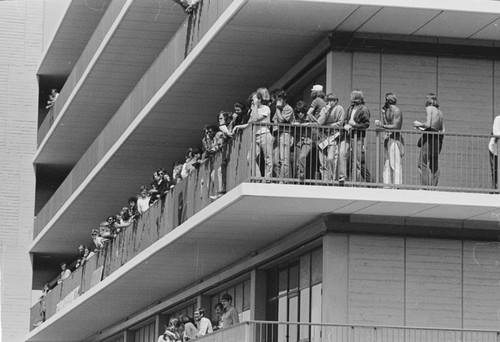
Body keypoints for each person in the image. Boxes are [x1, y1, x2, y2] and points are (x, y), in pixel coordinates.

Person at [313, 93, 345, 181]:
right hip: (322, 136)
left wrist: (329, 125)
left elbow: (340, 123)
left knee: (331, 158)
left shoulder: (339, 108)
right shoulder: (324, 109)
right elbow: (319, 122)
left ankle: (331, 179)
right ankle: (324, 180)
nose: (330, 102)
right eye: (329, 100)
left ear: (336, 101)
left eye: (332, 100)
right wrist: (326, 112)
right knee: (322, 161)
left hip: (333, 136)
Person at [414, 93, 444, 186]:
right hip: (437, 138)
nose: (425, 101)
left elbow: (428, 124)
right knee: (434, 165)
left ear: (430, 100)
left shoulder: (429, 108)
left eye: (426, 99)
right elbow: (442, 130)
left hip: (429, 138)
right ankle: (434, 187)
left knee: (422, 163)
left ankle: (424, 187)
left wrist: (418, 124)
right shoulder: (440, 112)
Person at [342, 90, 371, 183]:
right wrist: (345, 125)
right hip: (348, 136)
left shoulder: (364, 109)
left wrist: (355, 125)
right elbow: (345, 119)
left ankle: (355, 183)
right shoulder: (350, 108)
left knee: (357, 162)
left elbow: (366, 124)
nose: (351, 98)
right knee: (344, 156)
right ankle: (346, 179)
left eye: (353, 96)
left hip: (358, 137)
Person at [376, 93, 404, 185]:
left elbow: (397, 126)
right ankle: (386, 184)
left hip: (395, 139)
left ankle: (397, 185)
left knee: (395, 163)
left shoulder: (397, 110)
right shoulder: (388, 110)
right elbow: (386, 123)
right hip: (387, 139)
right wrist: (383, 113)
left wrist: (382, 126)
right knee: (387, 163)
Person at [248, 91, 274, 179]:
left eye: (254, 99)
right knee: (250, 158)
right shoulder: (253, 110)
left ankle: (268, 178)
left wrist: (255, 106)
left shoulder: (265, 108)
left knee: (268, 157)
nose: (253, 101)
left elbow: (255, 119)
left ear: (259, 99)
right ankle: (258, 177)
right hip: (255, 135)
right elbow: (249, 122)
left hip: (265, 133)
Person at [272, 89, 294, 180]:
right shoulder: (279, 109)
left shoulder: (288, 108)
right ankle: (278, 178)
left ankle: (284, 180)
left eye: (278, 99)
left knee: (284, 159)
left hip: (285, 134)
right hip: (277, 135)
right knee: (275, 160)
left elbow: (281, 120)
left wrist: (277, 108)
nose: (276, 101)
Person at [489, 115, 500, 189]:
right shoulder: (498, 119)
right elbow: (497, 134)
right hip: (494, 150)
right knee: (495, 170)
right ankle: (494, 189)